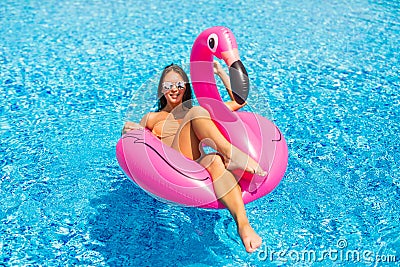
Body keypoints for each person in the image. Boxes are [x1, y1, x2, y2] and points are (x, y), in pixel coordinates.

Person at [122, 62, 266, 253]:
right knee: (197, 111)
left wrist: (220, 72)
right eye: (168, 85)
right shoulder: (151, 118)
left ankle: (243, 225)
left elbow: (239, 102)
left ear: (186, 88)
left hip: (197, 163)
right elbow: (139, 148)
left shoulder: (198, 113)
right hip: (172, 165)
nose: (174, 89)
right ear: (161, 89)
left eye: (179, 85)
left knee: (214, 159)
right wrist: (130, 130)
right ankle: (230, 153)